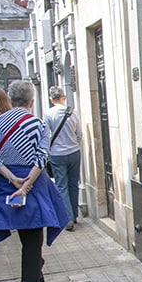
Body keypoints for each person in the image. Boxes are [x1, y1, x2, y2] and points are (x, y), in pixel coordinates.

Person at [0, 81, 69, 282]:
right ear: (32, 101)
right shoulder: (37, 124)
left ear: (11, 101)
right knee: (33, 233)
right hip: (34, 182)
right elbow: (42, 158)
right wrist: (26, 184)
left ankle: (36, 272)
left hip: (6, 182)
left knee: (27, 234)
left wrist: (11, 178)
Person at [44, 86, 82, 231]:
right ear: (64, 97)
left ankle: (68, 218)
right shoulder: (73, 112)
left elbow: (46, 136)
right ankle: (74, 214)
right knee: (73, 184)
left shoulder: (48, 114)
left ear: (51, 99)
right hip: (74, 152)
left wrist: (48, 151)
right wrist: (75, 145)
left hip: (57, 154)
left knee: (61, 185)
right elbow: (79, 133)